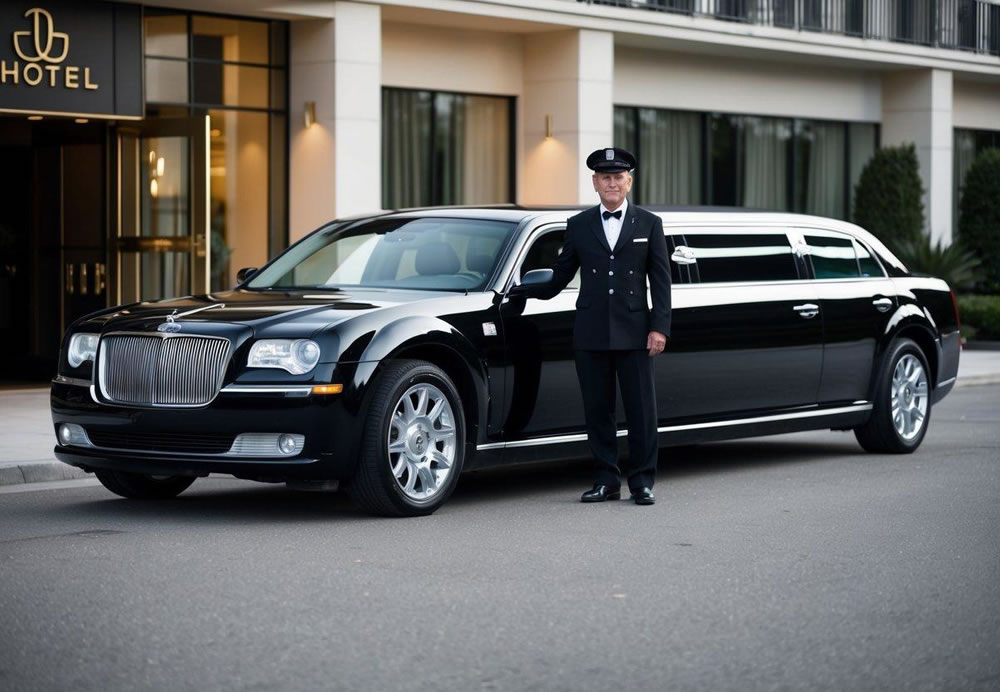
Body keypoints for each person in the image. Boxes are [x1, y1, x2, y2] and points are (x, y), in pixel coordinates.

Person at [522, 147, 671, 505]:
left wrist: (659, 328)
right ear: (594, 183)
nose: (612, 183)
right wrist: (522, 290)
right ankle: (606, 481)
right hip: (590, 333)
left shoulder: (650, 223)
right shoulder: (578, 225)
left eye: (618, 177)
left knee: (641, 413)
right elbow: (559, 277)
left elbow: (662, 281)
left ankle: (642, 483)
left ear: (629, 182)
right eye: (605, 177)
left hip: (636, 332)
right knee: (597, 411)